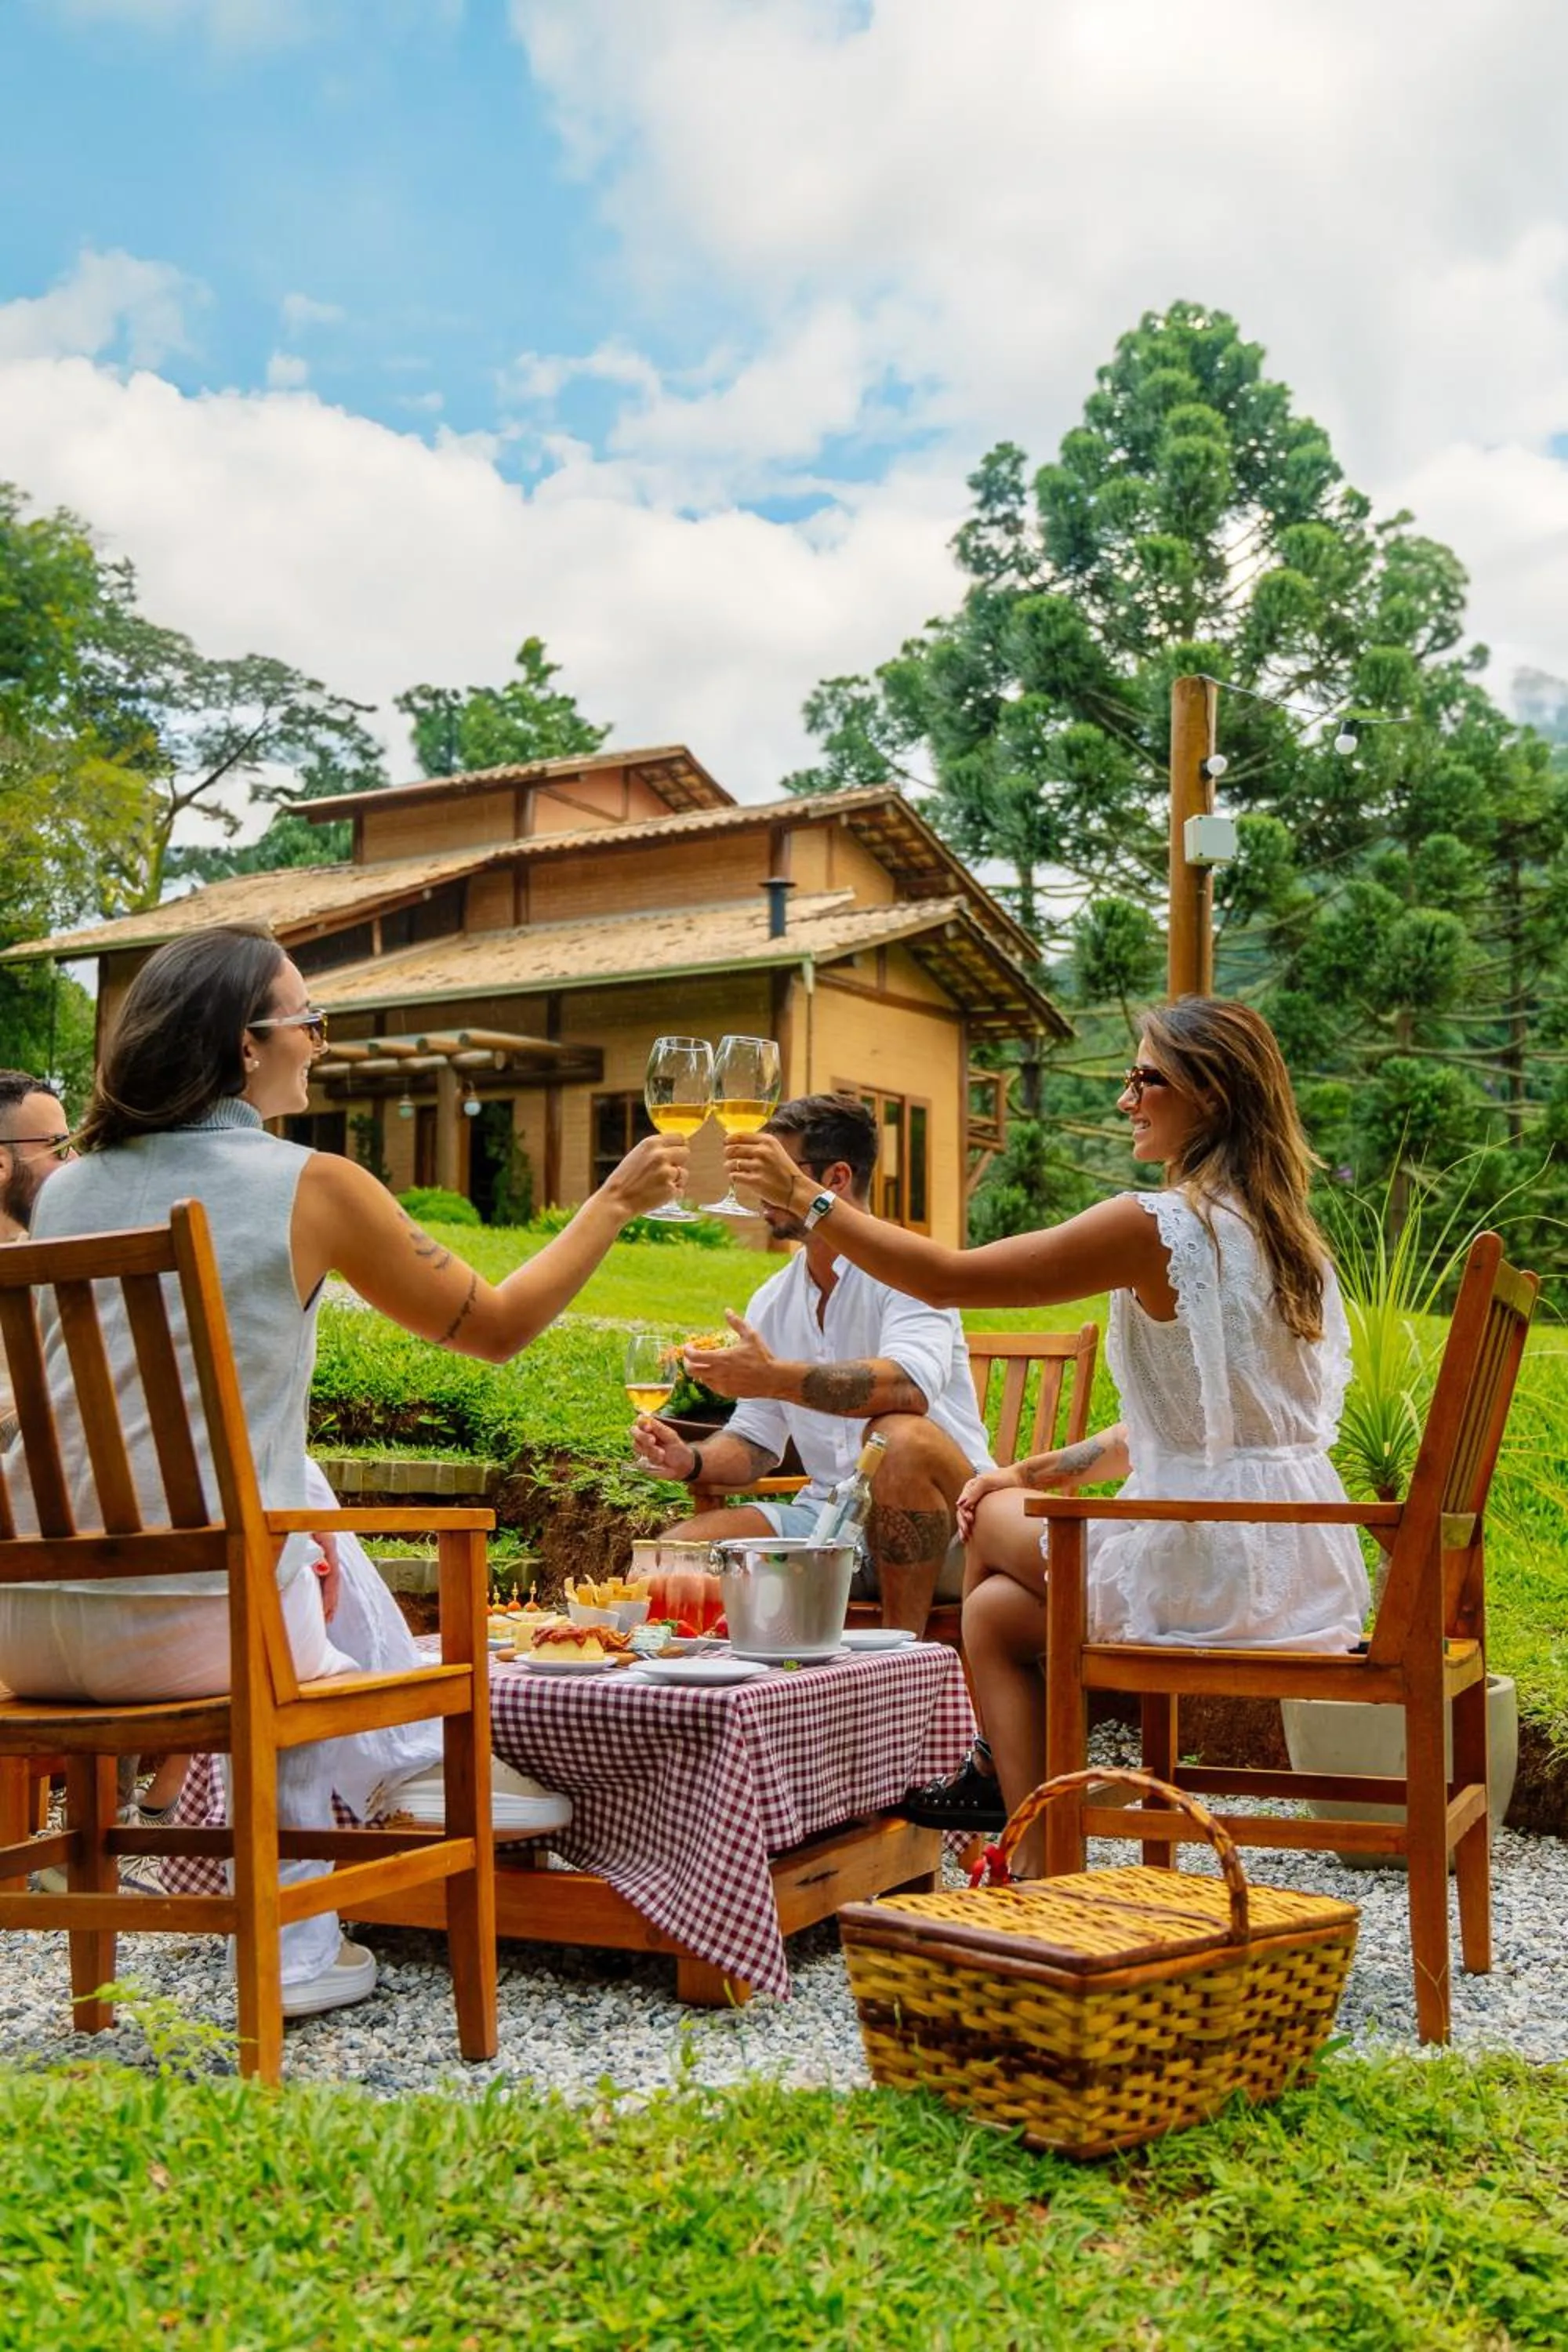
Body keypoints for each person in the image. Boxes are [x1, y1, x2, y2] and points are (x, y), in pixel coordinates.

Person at [0, 924, 685, 2016]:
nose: (322, 1042)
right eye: (309, 1021)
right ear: (244, 1047)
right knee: (287, 1561)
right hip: (196, 1633)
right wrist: (609, 1205)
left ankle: (389, 1778)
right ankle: (394, 1788)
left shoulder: (67, 1194)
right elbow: (498, 1327)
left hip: (31, 1627)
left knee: (295, 1491)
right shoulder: (311, 1184)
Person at [724, 1000, 1371, 1865]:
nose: (1123, 1097)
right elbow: (1171, 1432)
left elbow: (947, 1274)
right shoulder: (1287, 1238)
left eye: (1143, 1077)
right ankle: (1032, 1851)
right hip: (1295, 1558)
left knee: (985, 1517)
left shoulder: (1155, 1225)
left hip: (1208, 1561)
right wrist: (1022, 1470)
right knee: (991, 1612)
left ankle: (993, 1788)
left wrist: (806, 1200)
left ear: (1209, 1094)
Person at [632, 1093, 994, 1632]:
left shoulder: (907, 1270)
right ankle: (726, 1708)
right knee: (671, 1558)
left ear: (837, 1178)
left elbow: (908, 1390)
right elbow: (757, 1442)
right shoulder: (773, 1300)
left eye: (777, 1170)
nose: (758, 1188)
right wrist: (693, 1461)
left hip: (947, 1525)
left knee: (896, 1438)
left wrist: (776, 1378)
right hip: (826, 1521)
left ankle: (898, 1669)